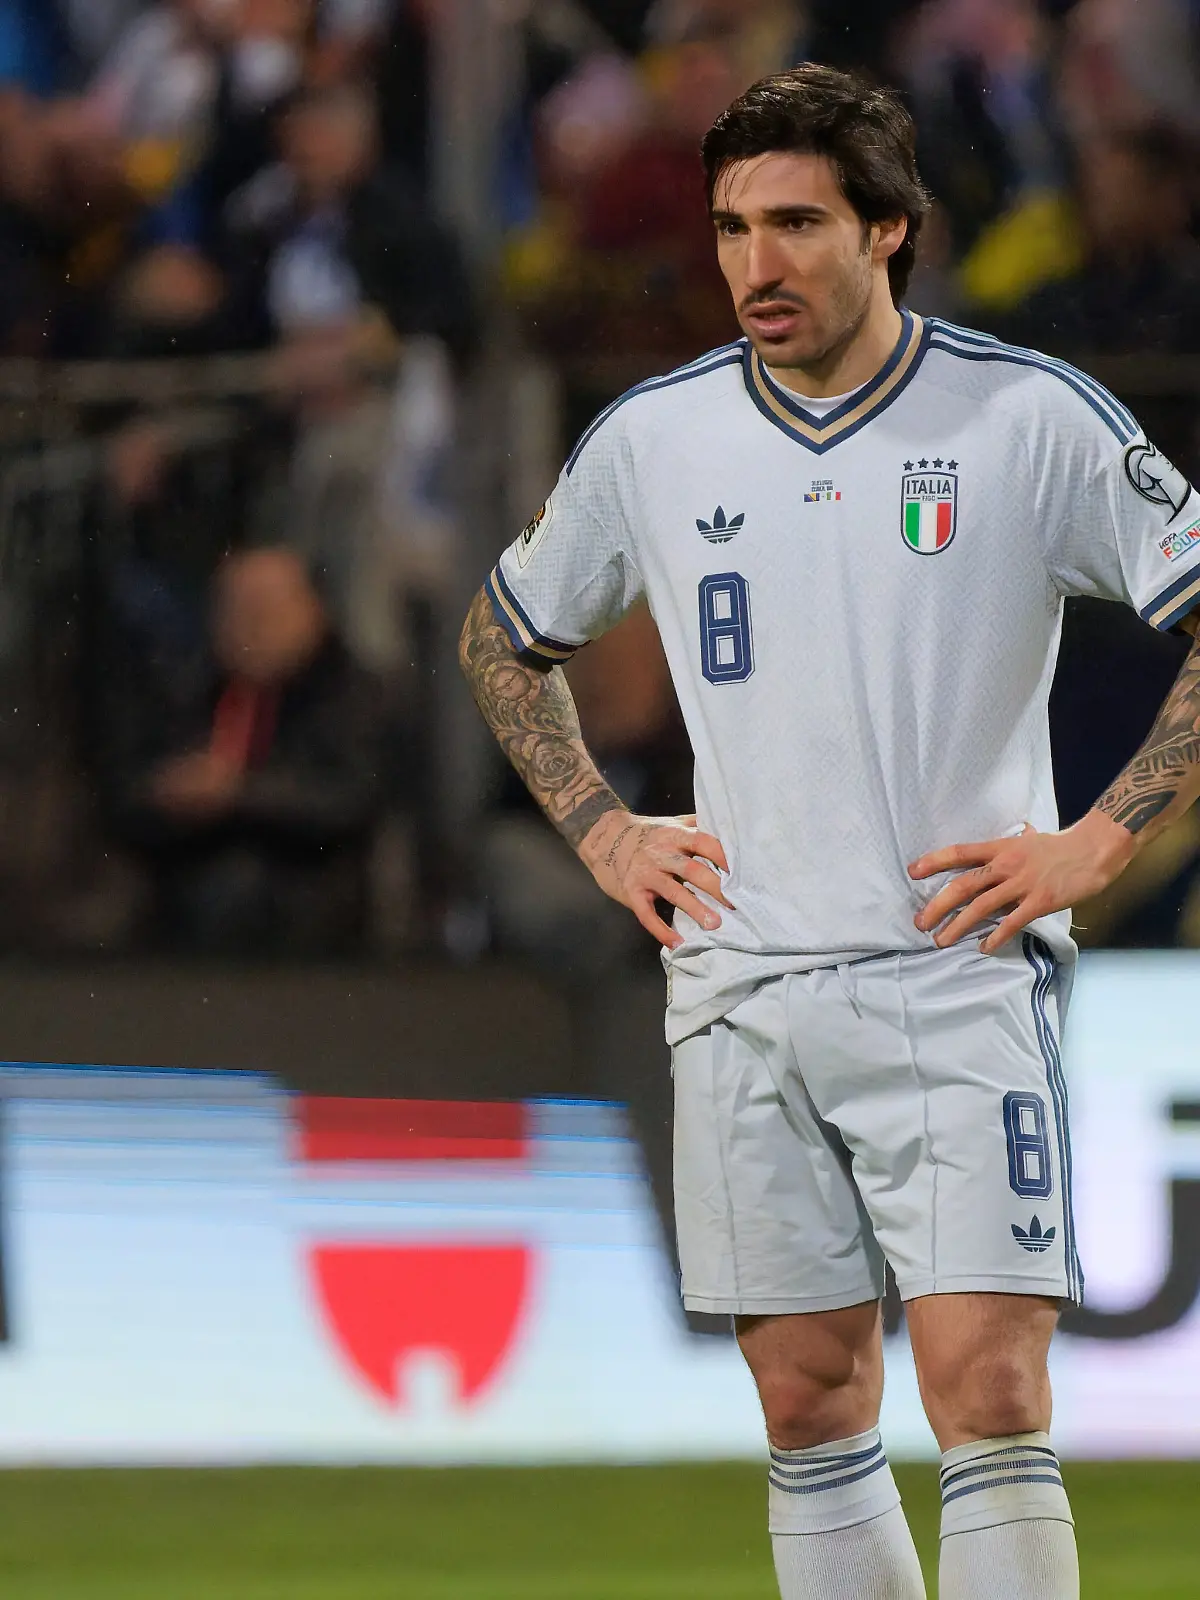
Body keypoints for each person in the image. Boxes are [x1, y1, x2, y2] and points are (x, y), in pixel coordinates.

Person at [459, 63, 1200, 1600]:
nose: (755, 263)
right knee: (808, 1401)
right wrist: (604, 832)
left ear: (890, 234)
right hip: (740, 986)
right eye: (733, 226)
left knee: (987, 1390)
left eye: (797, 221)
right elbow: (498, 639)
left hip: (958, 968)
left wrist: (1100, 834)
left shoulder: (1023, 417)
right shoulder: (655, 440)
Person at [103, 544, 386, 954]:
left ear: (313, 612)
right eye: (231, 609)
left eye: (265, 610)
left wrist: (238, 794)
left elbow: (351, 801)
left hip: (308, 888)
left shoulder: (351, 695)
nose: (247, 626)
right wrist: (169, 792)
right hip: (188, 880)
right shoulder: (190, 687)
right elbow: (126, 790)